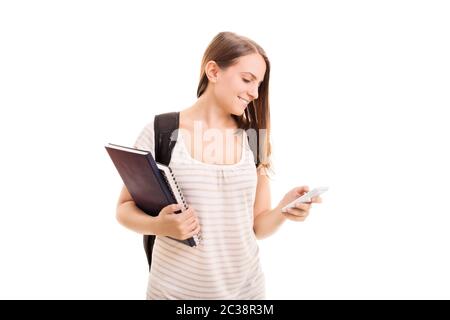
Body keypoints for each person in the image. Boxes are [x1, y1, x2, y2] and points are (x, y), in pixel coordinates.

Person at [116, 31, 322, 300]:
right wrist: (160, 226)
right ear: (213, 71)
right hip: (172, 294)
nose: (254, 92)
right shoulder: (161, 132)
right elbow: (123, 210)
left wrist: (284, 209)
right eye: (247, 79)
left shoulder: (253, 139)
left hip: (245, 295)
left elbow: (258, 227)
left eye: (259, 84)